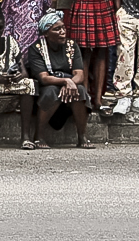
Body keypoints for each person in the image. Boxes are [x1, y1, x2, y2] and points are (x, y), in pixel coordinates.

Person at [18, 9, 88, 150]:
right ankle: (39, 135)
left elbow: (79, 74)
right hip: (48, 86)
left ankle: (82, 136)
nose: (62, 32)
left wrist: (70, 83)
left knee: (79, 90)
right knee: (51, 91)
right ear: (46, 33)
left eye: (63, 27)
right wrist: (64, 81)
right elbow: (44, 78)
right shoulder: (37, 48)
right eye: (57, 29)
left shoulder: (72, 46)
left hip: (69, 85)